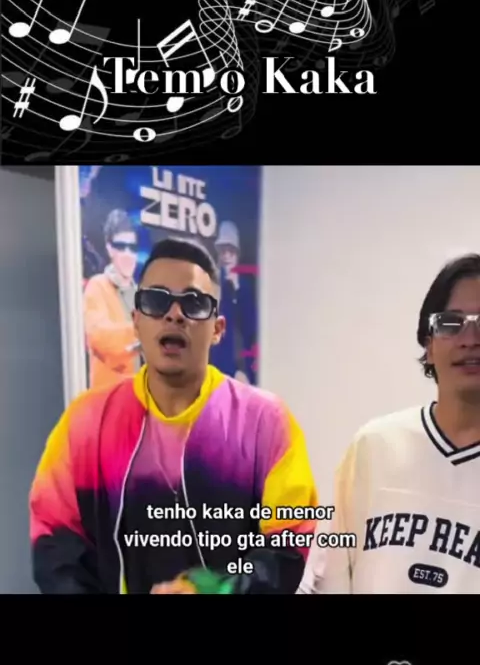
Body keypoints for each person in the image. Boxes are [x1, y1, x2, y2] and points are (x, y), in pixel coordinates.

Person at [30, 238, 317, 594]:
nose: (174, 314)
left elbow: (289, 543)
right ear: (136, 321)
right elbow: (55, 540)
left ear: (217, 329)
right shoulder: (86, 423)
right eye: (156, 300)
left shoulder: (266, 423)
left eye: (194, 303)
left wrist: (215, 590)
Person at [299, 254, 480, 594]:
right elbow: (323, 583)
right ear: (428, 345)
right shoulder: (374, 447)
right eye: (451, 323)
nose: (470, 338)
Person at [83, 209, 140, 389]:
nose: (128, 254)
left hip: (141, 397)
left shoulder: (142, 295)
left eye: (132, 247)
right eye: (121, 246)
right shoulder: (97, 286)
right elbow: (100, 338)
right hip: (109, 398)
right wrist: (144, 330)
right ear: (109, 249)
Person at [210, 221, 255, 384]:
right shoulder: (213, 284)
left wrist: (237, 289)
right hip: (221, 366)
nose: (227, 256)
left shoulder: (245, 286)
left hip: (245, 366)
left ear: (237, 254)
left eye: (231, 251)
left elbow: (251, 327)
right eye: (223, 251)